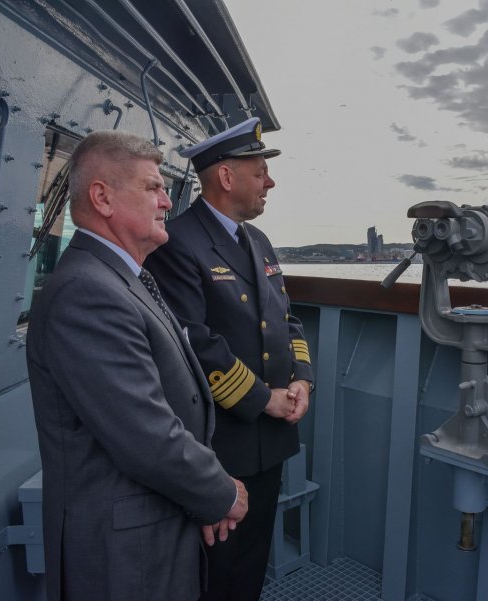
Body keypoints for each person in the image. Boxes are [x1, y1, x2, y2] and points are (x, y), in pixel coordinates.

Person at [26, 130, 248, 601]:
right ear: (102, 197)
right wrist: (221, 494)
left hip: (153, 524)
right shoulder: (87, 293)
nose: (168, 202)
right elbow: (146, 436)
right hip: (123, 553)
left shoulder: (122, 277)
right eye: (153, 187)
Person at [145, 117, 314, 601]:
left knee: (252, 557)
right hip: (222, 442)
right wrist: (265, 399)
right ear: (225, 176)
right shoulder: (178, 243)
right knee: (215, 567)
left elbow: (288, 319)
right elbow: (192, 342)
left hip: (272, 437)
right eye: (260, 171)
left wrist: (302, 379)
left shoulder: (256, 242)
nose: (270, 182)